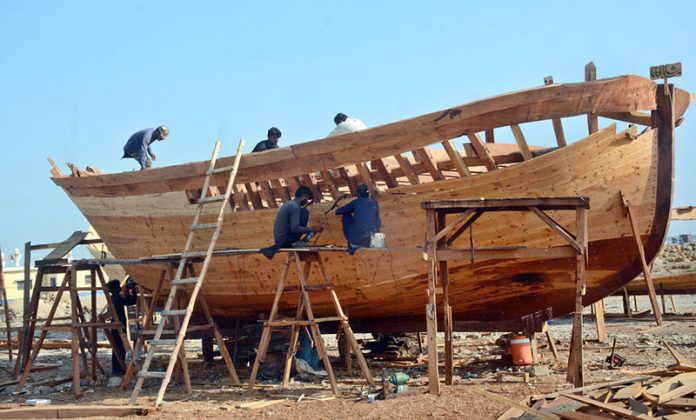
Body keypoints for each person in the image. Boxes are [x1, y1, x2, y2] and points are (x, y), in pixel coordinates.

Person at [260, 186, 323, 259]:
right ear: (303, 196)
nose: (307, 201)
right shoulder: (294, 207)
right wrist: (313, 229)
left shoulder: (290, 204)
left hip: (281, 240)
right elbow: (295, 229)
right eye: (307, 199)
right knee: (305, 212)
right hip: (285, 241)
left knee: (304, 211)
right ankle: (295, 242)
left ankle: (296, 241)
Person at [335, 183, 381, 254]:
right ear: (368, 194)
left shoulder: (356, 202)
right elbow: (378, 221)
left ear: (358, 194)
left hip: (358, 235)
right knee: (373, 218)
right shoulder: (374, 203)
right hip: (372, 235)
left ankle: (352, 245)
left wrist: (348, 208)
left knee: (346, 213)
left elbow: (338, 212)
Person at [108, 278, 137, 376]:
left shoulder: (113, 298)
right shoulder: (118, 299)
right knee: (121, 348)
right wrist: (132, 289)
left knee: (117, 348)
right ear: (117, 289)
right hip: (119, 326)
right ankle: (119, 369)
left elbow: (127, 300)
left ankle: (117, 369)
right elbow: (132, 301)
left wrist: (128, 290)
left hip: (115, 326)